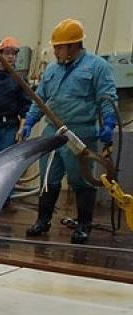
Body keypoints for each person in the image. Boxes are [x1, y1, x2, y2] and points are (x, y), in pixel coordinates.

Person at [19, 18, 118, 244]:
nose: (55, 51)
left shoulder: (97, 67)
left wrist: (109, 123)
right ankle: (43, 221)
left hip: (80, 133)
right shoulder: (52, 70)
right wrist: (29, 121)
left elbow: (107, 97)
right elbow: (40, 98)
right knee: (48, 178)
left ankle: (83, 225)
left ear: (74, 46)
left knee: (81, 179)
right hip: (52, 133)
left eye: (59, 47)